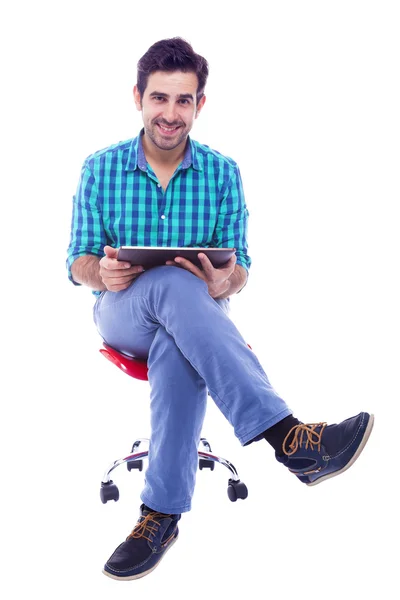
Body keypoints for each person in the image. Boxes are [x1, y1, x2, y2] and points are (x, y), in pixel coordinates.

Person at [66, 37, 374, 581]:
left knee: (178, 340)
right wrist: (102, 271)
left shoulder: (223, 173)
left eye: (183, 101)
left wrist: (225, 278)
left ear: (199, 105)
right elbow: (78, 262)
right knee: (167, 285)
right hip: (122, 314)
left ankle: (159, 514)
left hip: (196, 323)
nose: (170, 113)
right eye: (159, 98)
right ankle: (290, 438)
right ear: (138, 97)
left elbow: (242, 268)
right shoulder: (101, 168)